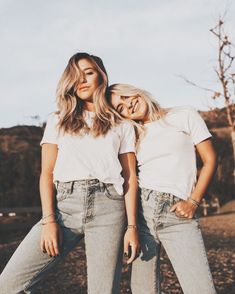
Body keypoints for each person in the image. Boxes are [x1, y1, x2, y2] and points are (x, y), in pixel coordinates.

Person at [0, 54, 139, 294]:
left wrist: (132, 227)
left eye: (89, 72)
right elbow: (46, 173)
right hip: (65, 208)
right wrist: (49, 220)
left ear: (102, 77)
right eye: (76, 75)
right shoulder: (58, 120)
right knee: (9, 283)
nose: (82, 80)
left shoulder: (122, 125)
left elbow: (129, 177)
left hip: (109, 208)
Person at [107, 83, 217, 294]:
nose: (128, 105)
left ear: (136, 91)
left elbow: (210, 160)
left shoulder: (184, 114)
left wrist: (194, 201)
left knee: (201, 289)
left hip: (177, 214)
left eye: (125, 96)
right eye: (120, 108)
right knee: (142, 290)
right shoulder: (132, 134)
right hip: (142, 215)